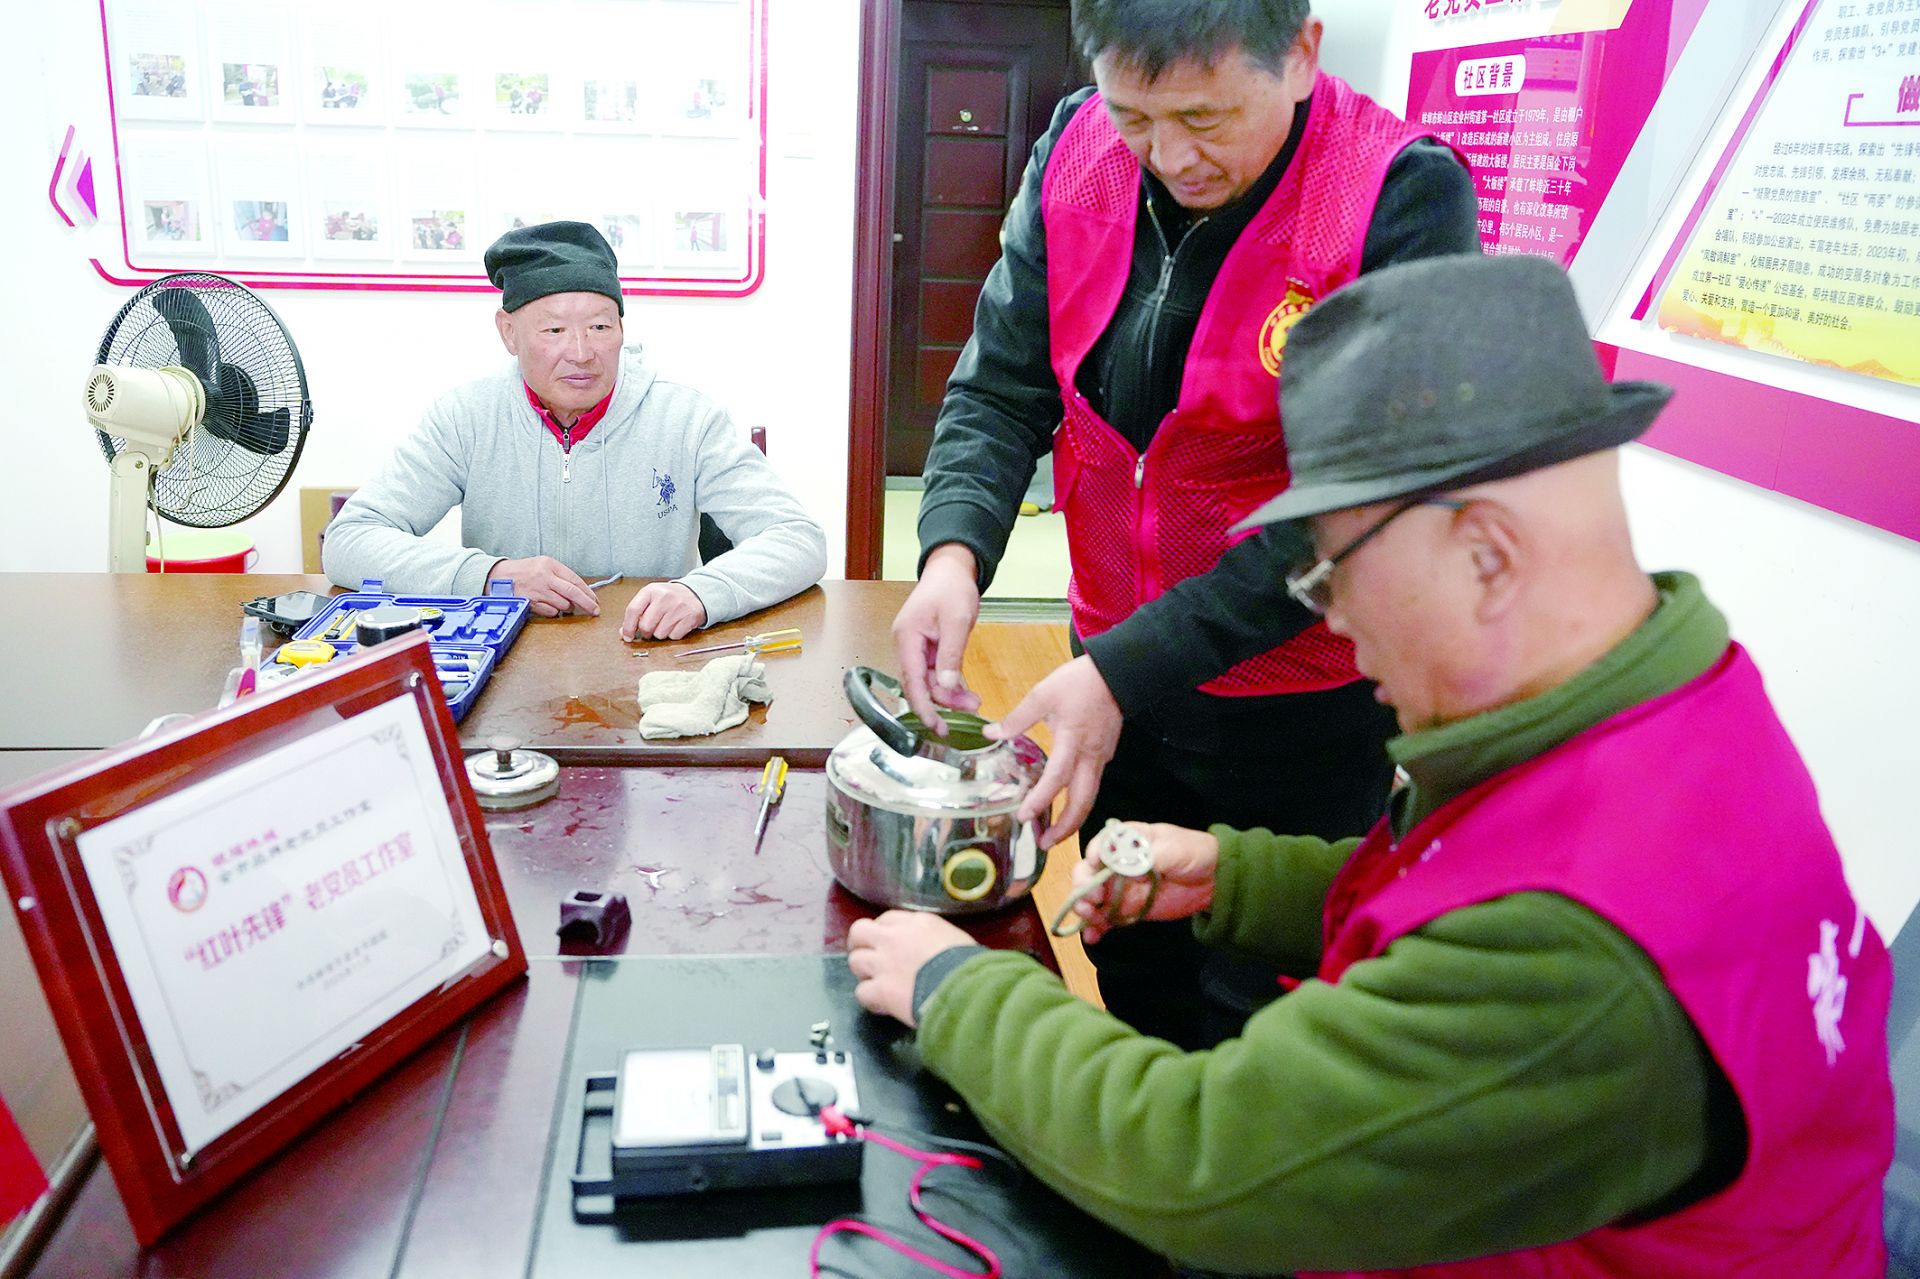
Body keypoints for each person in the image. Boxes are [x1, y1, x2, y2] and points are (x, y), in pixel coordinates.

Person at [851, 254, 1895, 1275]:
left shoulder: (1585, 946)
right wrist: (1236, 875)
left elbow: (1203, 1164)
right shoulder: (1679, 706)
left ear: (1488, 556)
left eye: (1334, 570)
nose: (1336, 619)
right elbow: (1468, 892)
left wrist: (955, 987)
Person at [890, 0, 1479, 1049]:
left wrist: (1127, 667)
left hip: (1298, 707)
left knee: (1267, 1016)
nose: (1169, 158)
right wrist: (951, 554)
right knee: (1132, 958)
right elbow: (1000, 389)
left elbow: (1358, 502)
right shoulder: (1077, 150)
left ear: (1300, 54)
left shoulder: (1395, 194)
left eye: (1205, 118)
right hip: (1113, 672)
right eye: (1136, 118)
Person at [324, 220, 827, 637]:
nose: (582, 352)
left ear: (622, 329)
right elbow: (350, 540)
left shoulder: (687, 418)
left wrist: (701, 592)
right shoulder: (466, 417)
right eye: (554, 330)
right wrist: (488, 575)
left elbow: (798, 538)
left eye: (600, 327)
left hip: (647, 653)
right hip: (504, 657)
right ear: (508, 333)